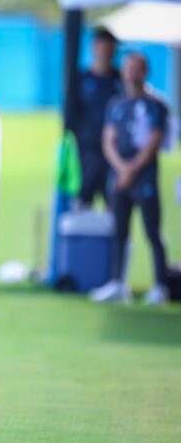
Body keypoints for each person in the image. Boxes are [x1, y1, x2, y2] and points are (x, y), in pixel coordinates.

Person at [91, 52, 169, 305]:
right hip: (120, 177)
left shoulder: (156, 104)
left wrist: (131, 169)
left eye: (138, 69)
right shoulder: (116, 104)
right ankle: (117, 282)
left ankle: (160, 284)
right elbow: (108, 139)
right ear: (123, 72)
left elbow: (154, 141)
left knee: (152, 231)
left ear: (145, 72)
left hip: (143, 177)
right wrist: (120, 168)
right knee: (119, 232)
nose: (132, 74)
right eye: (129, 69)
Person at [70, 28, 122, 208]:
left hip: (115, 152)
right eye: (104, 46)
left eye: (111, 47)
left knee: (115, 203)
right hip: (87, 151)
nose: (107, 51)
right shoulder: (81, 79)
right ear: (95, 47)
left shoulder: (120, 80)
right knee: (83, 201)